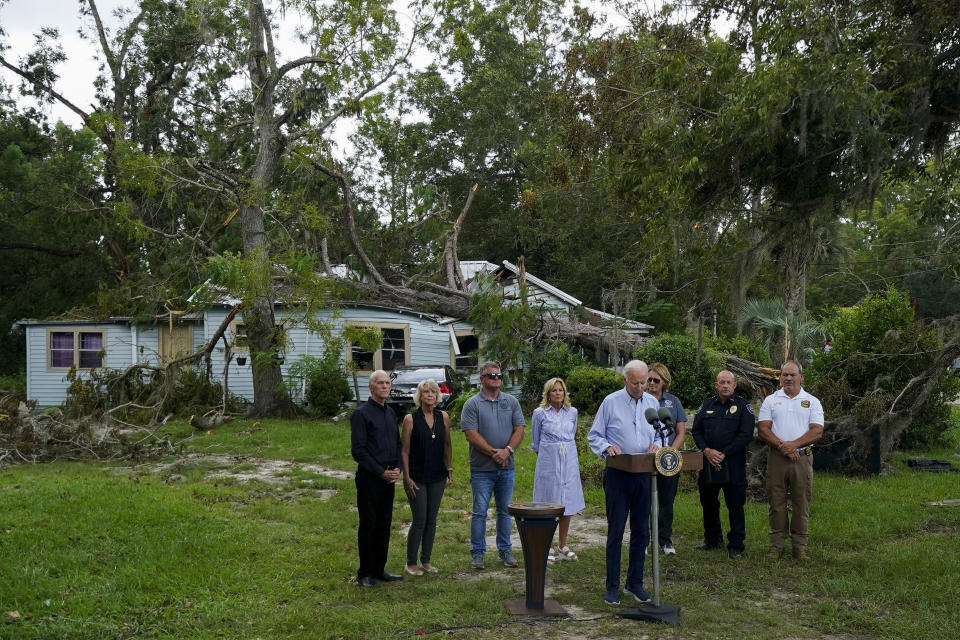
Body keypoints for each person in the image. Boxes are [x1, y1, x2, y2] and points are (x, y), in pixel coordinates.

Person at [588, 360, 661, 606]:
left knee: (642, 532)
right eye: (636, 383)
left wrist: (657, 446)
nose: (641, 387)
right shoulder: (610, 402)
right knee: (617, 531)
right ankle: (612, 586)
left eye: (645, 382)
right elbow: (594, 435)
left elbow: (661, 434)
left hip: (644, 473)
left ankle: (635, 582)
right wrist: (607, 446)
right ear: (625, 380)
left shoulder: (653, 402)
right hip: (618, 473)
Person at [757, 360, 824, 561]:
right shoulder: (770, 400)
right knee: (776, 502)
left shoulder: (812, 401)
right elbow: (763, 429)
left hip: (802, 459)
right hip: (777, 458)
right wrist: (782, 447)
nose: (788, 378)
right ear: (780, 378)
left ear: (801, 377)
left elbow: (817, 430)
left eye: (792, 375)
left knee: (801, 502)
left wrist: (793, 445)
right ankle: (776, 546)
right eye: (784, 375)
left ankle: (799, 547)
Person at [461, 361, 525, 570]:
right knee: (480, 512)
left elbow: (519, 429)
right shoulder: (472, 404)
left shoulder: (511, 401)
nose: (496, 379)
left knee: (504, 512)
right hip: (482, 470)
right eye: (491, 376)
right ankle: (478, 554)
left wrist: (508, 451)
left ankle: (505, 550)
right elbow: (471, 434)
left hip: (507, 468)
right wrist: (493, 453)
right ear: (482, 379)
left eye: (499, 375)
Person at [690, 370, 756, 559]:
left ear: (734, 385)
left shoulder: (744, 407)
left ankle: (736, 545)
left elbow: (746, 435)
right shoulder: (707, 405)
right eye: (722, 382)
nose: (725, 385)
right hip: (708, 461)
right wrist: (707, 451)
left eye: (729, 382)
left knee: (735, 504)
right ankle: (712, 539)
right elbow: (696, 431)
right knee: (708, 502)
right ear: (716, 385)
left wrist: (724, 453)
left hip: (733, 463)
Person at [350, 370, 404, 587]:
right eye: (380, 383)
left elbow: (398, 445)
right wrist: (380, 471)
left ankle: (380, 569)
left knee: (384, 524)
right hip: (370, 477)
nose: (384, 386)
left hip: (389, 478)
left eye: (387, 383)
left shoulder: (390, 413)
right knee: (369, 525)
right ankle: (365, 573)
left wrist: (397, 469)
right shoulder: (361, 414)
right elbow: (359, 451)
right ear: (371, 388)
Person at [400, 379, 453, 576]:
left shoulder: (444, 417)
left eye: (433, 392)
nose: (430, 395)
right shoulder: (410, 419)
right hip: (417, 476)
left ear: (437, 395)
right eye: (426, 392)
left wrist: (449, 468)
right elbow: (404, 451)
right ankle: (411, 562)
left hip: (438, 475)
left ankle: (426, 560)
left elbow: (447, 444)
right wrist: (406, 476)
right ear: (420, 396)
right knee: (420, 519)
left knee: (432, 519)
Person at [531, 377, 585, 564]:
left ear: (565, 392)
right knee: (550, 501)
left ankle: (563, 544)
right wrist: (549, 457)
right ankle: (549, 545)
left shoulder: (572, 412)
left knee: (567, 502)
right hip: (549, 460)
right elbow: (536, 442)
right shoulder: (540, 413)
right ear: (548, 393)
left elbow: (572, 435)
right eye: (554, 390)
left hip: (568, 459)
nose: (558, 393)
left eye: (560, 390)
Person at [645, 362, 688, 556]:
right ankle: (644, 540)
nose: (651, 383)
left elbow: (680, 431)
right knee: (644, 501)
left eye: (656, 380)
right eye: (649, 379)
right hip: (645, 458)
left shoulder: (673, 401)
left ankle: (665, 540)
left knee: (667, 501)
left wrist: (670, 452)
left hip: (668, 459)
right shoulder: (641, 400)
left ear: (664, 382)